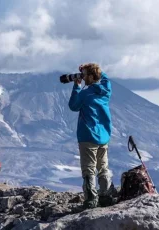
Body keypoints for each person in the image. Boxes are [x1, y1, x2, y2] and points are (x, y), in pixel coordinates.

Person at [68, 63, 113, 209]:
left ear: (92, 76)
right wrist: (96, 71)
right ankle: (106, 197)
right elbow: (105, 78)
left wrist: (76, 85)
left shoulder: (85, 93)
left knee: (89, 170)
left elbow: (73, 106)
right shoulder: (106, 90)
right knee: (103, 168)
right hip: (104, 136)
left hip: (88, 136)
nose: (83, 77)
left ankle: (91, 200)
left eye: (85, 74)